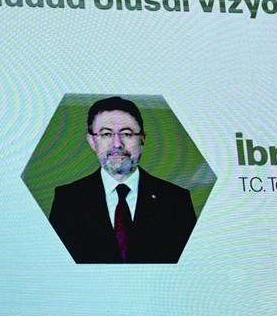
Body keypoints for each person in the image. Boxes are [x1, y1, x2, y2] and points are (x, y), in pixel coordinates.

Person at [48, 96, 197, 263]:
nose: (117, 144)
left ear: (142, 139)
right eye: (106, 134)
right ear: (92, 141)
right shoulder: (67, 200)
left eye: (127, 134)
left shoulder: (176, 200)